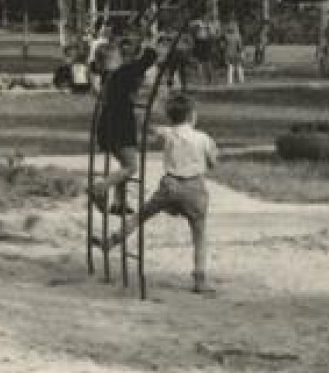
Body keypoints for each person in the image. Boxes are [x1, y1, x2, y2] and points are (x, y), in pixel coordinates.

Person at [93, 93, 219, 294]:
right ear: (192, 116)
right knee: (199, 233)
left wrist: (140, 117)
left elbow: (147, 127)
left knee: (141, 215)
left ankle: (113, 240)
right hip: (194, 187)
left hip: (169, 185)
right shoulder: (204, 138)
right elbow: (213, 163)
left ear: (171, 117)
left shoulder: (167, 133)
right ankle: (199, 278)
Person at [90, 43, 160, 216]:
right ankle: (100, 188)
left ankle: (119, 203)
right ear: (115, 59)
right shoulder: (122, 74)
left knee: (124, 165)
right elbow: (146, 60)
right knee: (130, 167)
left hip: (107, 126)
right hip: (120, 126)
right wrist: (150, 47)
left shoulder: (108, 76)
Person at [222, 20, 247, 86]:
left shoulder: (226, 36)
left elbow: (223, 45)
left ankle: (230, 81)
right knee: (238, 67)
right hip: (236, 53)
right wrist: (242, 52)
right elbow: (240, 46)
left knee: (230, 67)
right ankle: (241, 80)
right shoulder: (237, 36)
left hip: (229, 52)